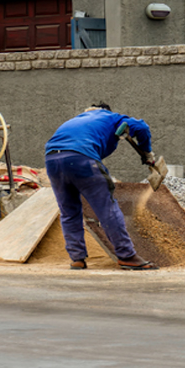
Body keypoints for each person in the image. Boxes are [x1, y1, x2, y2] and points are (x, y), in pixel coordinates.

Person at [44, 102, 159, 270]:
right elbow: (141, 126)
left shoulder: (74, 121)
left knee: (69, 212)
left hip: (52, 160)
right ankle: (127, 256)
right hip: (81, 159)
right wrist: (147, 151)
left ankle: (77, 259)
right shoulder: (111, 117)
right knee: (106, 208)